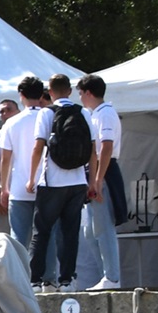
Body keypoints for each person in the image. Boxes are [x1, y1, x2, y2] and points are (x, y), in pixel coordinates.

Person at [29, 74, 90, 289]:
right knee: (70, 233)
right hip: (78, 181)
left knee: (41, 232)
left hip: (52, 182)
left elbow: (38, 147)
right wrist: (91, 180)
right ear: (70, 91)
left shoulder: (46, 113)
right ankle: (67, 280)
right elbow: (93, 149)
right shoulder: (83, 112)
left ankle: (35, 280)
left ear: (50, 92)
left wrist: (31, 177)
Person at [77, 74, 125, 290]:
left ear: (88, 93)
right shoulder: (95, 114)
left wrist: (97, 180)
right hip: (95, 171)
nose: (80, 97)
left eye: (81, 93)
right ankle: (106, 275)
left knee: (103, 227)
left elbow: (106, 147)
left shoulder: (105, 113)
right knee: (90, 231)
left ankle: (112, 277)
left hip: (103, 171)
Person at [0, 77, 49, 249]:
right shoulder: (49, 117)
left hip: (18, 188)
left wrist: (4, 188)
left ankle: (20, 267)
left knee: (18, 238)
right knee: (47, 237)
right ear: (41, 95)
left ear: (21, 95)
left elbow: (6, 159)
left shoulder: (12, 122)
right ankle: (48, 268)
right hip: (47, 185)